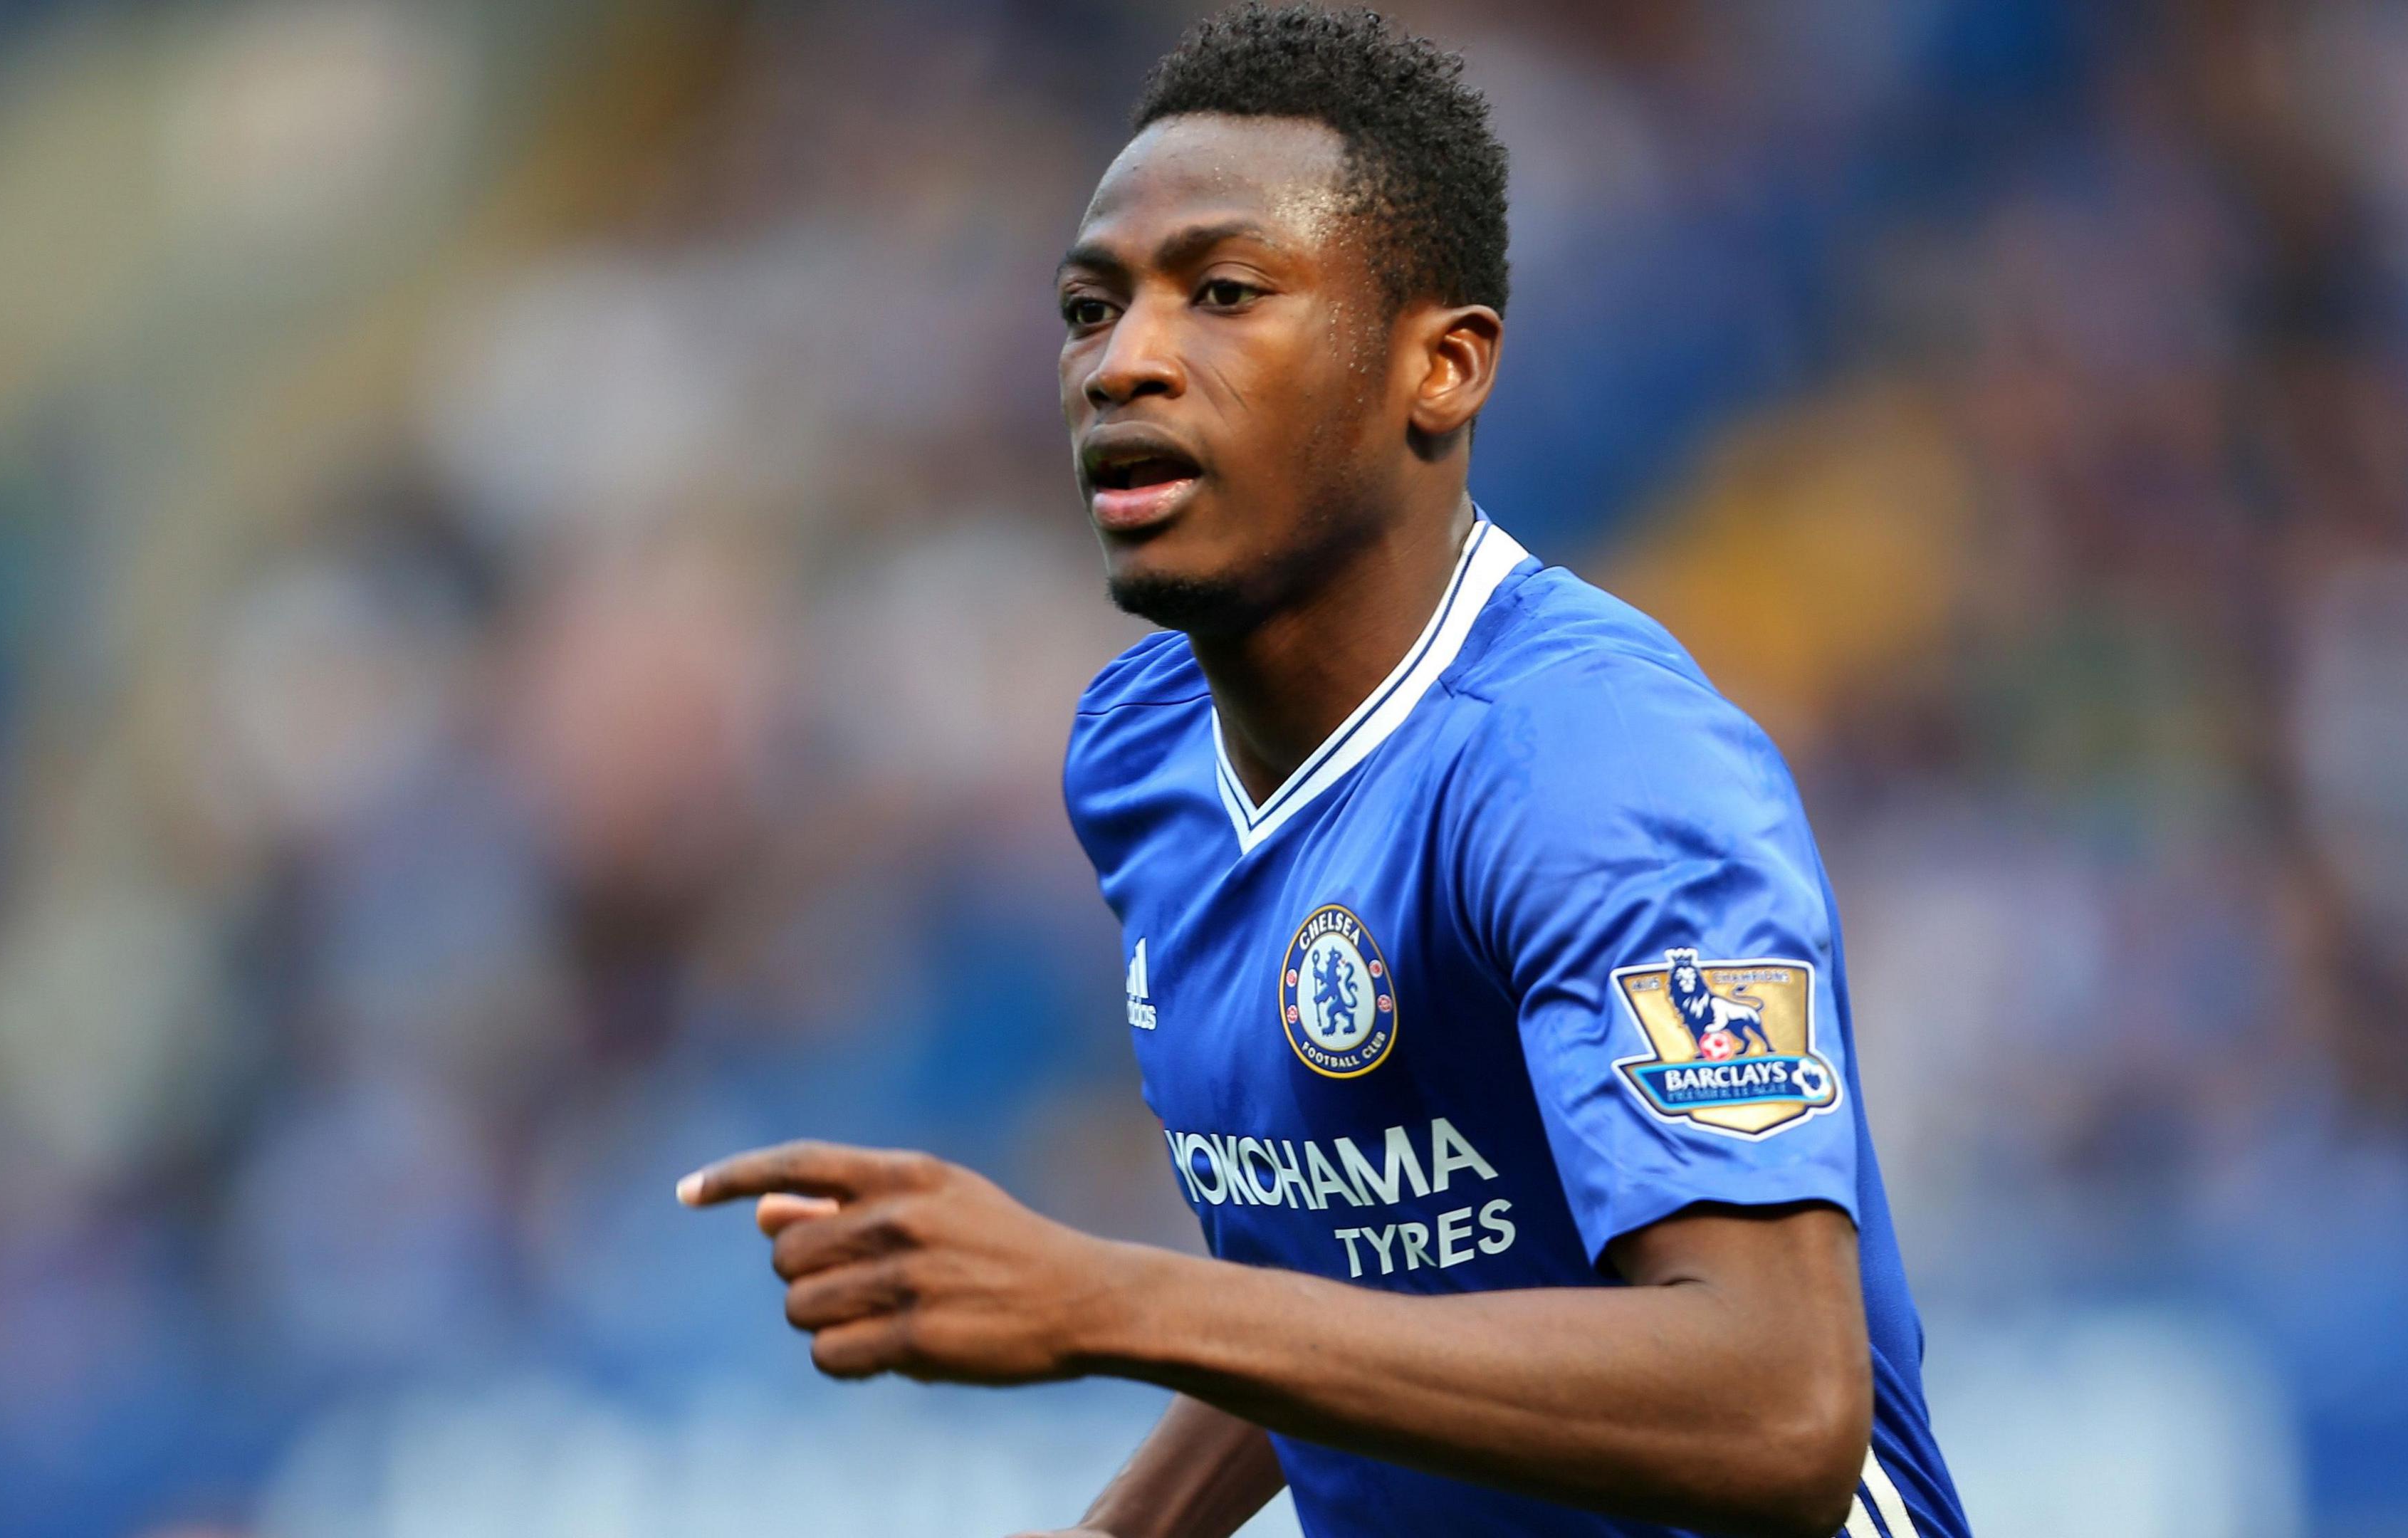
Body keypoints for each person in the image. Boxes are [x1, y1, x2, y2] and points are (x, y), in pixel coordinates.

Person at [678, 7, 1971, 1536]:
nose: (1125, 364)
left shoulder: (1592, 770)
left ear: (1441, 366)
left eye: (1224, 294)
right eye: (1093, 307)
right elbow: (1362, 1268)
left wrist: (1109, 1298)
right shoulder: (1143, 747)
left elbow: (1778, 1403)